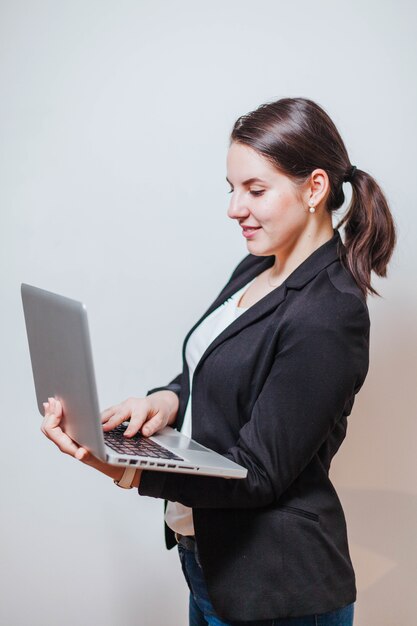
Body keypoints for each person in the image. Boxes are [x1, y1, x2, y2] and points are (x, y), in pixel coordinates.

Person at [42, 96, 396, 626]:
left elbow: (258, 474)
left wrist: (126, 470)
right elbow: (207, 368)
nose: (235, 208)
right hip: (211, 564)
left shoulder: (329, 314)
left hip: (278, 594)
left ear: (315, 188)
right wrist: (164, 401)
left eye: (255, 190)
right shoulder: (255, 266)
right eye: (232, 190)